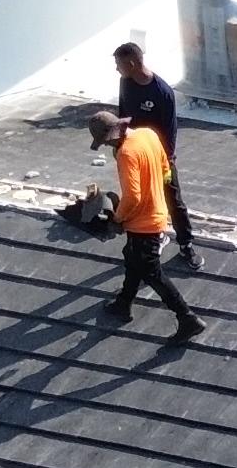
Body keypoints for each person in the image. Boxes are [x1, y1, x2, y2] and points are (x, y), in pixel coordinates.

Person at [86, 108, 205, 338]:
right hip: (157, 214)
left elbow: (133, 197)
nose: (108, 146)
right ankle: (123, 303)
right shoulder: (147, 134)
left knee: (151, 272)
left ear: (111, 136)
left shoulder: (126, 153)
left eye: (106, 142)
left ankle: (187, 317)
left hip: (143, 223)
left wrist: (117, 219)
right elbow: (165, 169)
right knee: (133, 258)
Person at [112, 39, 193, 263]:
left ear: (131, 64)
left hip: (160, 158)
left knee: (173, 200)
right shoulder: (125, 83)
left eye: (118, 65)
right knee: (139, 198)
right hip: (136, 156)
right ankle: (154, 235)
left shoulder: (162, 92)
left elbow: (170, 131)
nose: (116, 69)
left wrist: (166, 164)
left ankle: (186, 244)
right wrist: (119, 146)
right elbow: (123, 116)